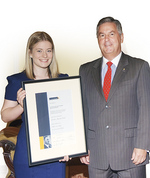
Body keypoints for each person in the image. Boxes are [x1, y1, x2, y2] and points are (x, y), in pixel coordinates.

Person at [79, 16, 150, 178]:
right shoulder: (85, 70)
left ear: (121, 37)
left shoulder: (139, 67)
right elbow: (83, 111)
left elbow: (146, 109)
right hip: (97, 156)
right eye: (102, 35)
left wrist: (142, 146)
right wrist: (83, 146)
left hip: (131, 155)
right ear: (97, 39)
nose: (107, 40)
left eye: (111, 34)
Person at [1, 31, 69, 178]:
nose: (44, 55)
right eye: (39, 50)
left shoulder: (62, 80)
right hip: (28, 152)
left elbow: (68, 118)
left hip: (56, 153)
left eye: (48, 50)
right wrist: (21, 107)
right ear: (30, 53)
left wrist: (69, 146)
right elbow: (5, 116)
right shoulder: (17, 81)